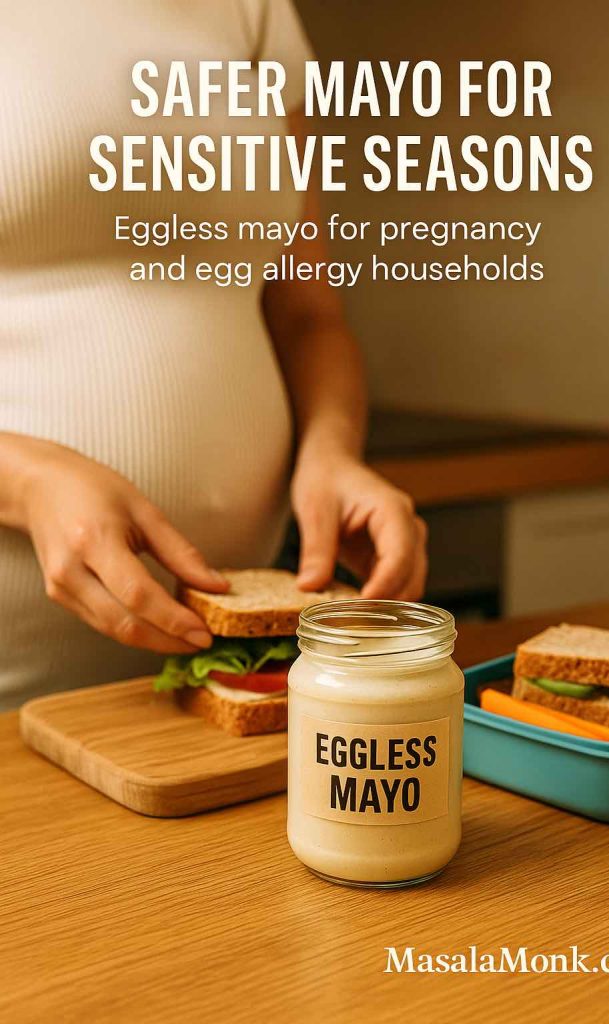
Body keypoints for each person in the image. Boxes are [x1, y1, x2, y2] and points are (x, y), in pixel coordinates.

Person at [0, 0, 427, 709]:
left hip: (224, 679)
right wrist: (25, 478)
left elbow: (307, 311)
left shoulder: (251, 9)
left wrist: (333, 452)